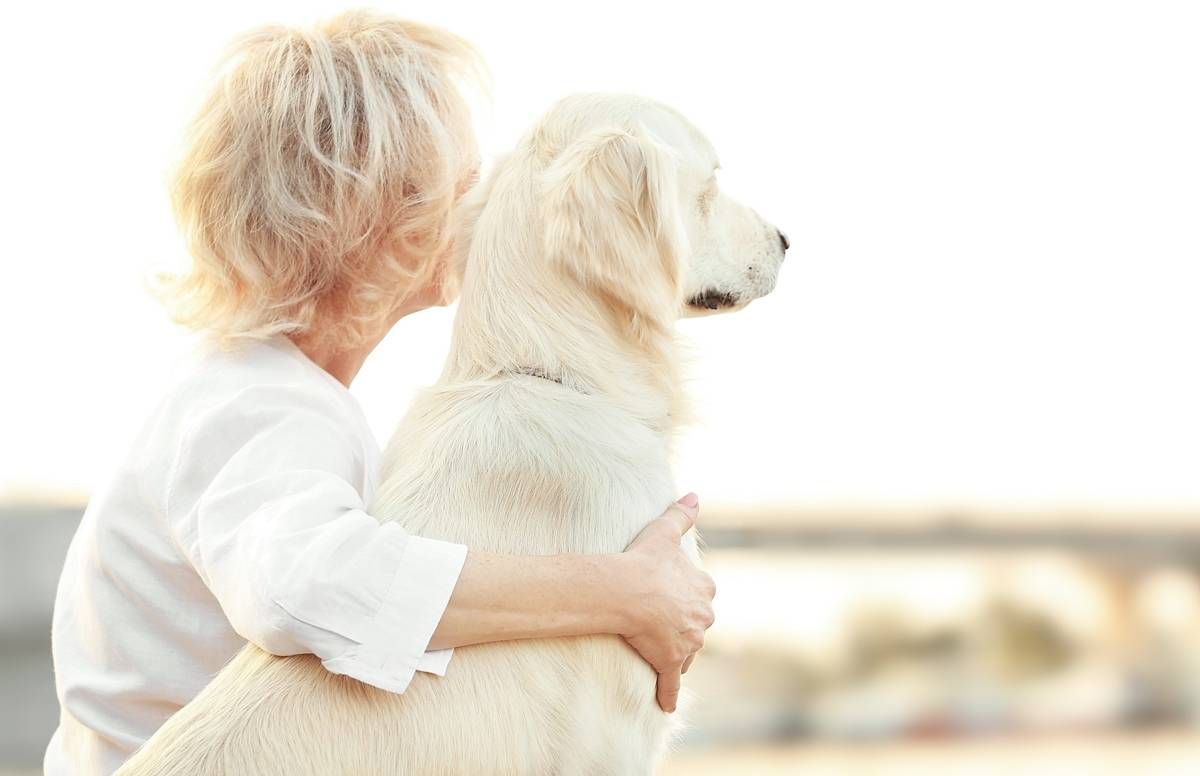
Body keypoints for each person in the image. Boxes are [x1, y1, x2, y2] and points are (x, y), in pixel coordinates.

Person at [44, 11, 716, 776]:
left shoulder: (250, 390)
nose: (486, 204)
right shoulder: (258, 409)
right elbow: (308, 585)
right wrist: (621, 592)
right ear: (375, 221)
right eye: (462, 183)